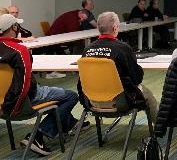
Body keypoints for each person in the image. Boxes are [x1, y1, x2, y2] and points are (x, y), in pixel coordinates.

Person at [0, 14, 80, 156]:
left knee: (55, 97)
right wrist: (11, 108)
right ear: (13, 27)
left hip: (2, 101)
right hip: (23, 101)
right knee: (71, 96)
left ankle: (70, 123)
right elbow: (23, 84)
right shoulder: (19, 51)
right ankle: (37, 136)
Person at [79, 11, 158, 122]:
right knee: (149, 96)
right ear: (115, 28)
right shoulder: (123, 48)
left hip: (92, 101)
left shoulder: (87, 50)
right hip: (120, 102)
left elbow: (81, 82)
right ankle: (159, 131)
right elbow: (136, 78)